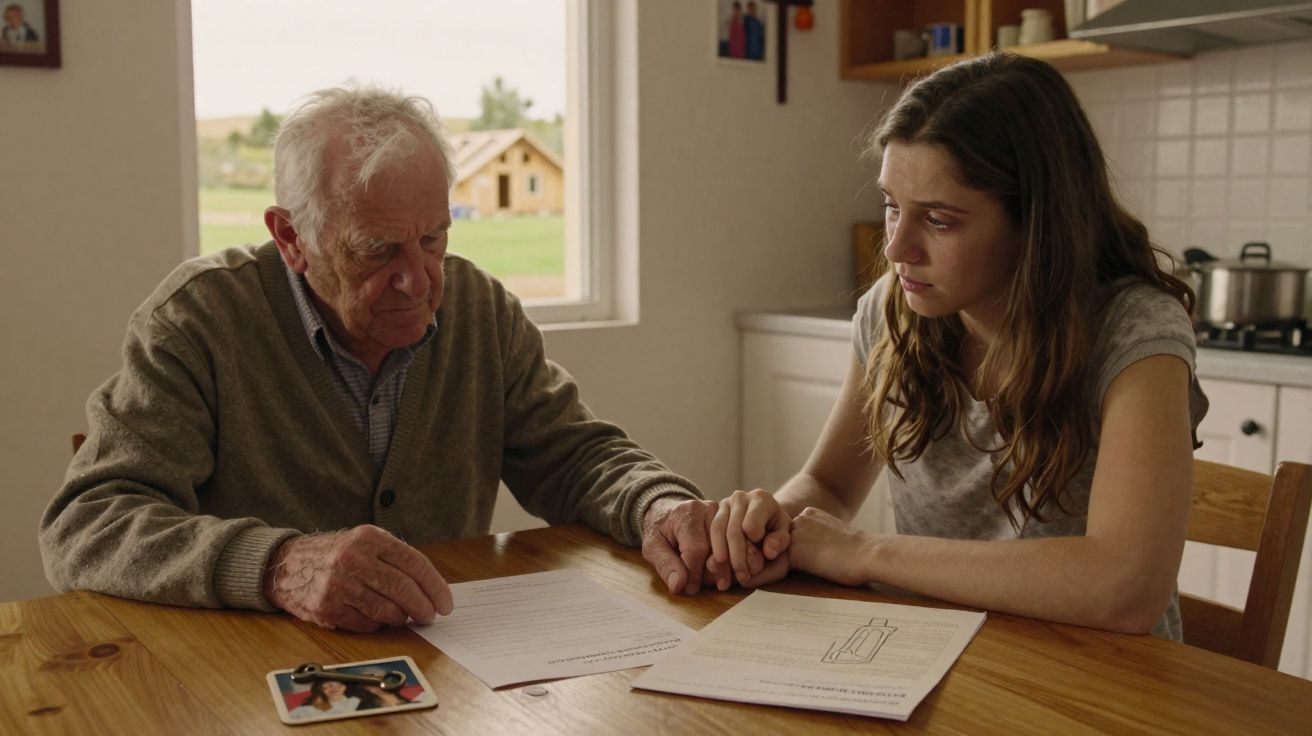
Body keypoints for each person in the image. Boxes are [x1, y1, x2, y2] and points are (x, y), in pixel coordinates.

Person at [39, 84, 719, 633]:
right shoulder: (198, 320)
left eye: (433, 238)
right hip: (248, 679)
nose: (418, 280)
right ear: (290, 237)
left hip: (445, 673)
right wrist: (281, 566)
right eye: (377, 250)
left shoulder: (479, 310)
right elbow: (85, 526)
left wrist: (658, 506)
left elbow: (576, 457)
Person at [706, 53, 1208, 640]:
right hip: (938, 656)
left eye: (940, 221)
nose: (896, 250)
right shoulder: (892, 311)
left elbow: (1125, 589)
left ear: (1038, 224)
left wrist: (868, 553)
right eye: (892, 206)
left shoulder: (1134, 331)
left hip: (1101, 685)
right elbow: (832, 487)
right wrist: (770, 523)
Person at [288, 680, 361, 719]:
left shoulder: (357, 701)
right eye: (326, 686)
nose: (334, 688)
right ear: (320, 691)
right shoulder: (306, 710)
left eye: (337, 684)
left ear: (344, 686)